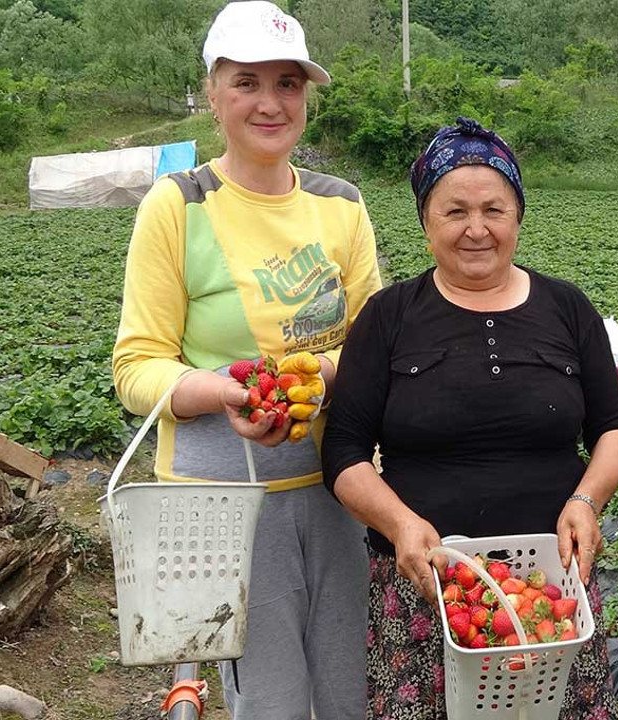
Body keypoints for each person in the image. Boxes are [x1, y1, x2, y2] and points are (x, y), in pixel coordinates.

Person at [111, 2, 381, 717]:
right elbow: (136, 367)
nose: (270, 102)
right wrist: (224, 390)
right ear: (212, 92)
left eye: (288, 83)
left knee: (351, 694)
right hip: (221, 509)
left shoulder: (341, 205)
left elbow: (372, 347)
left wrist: (319, 376)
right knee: (271, 702)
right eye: (247, 82)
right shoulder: (179, 204)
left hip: (337, 493)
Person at [321, 117, 618, 719]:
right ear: (425, 221)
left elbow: (613, 426)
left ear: (517, 215)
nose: (476, 229)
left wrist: (587, 500)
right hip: (425, 589)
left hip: (551, 593)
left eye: (494, 209)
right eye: (454, 211)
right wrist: (398, 524)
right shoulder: (388, 316)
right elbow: (343, 451)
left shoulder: (567, 308)